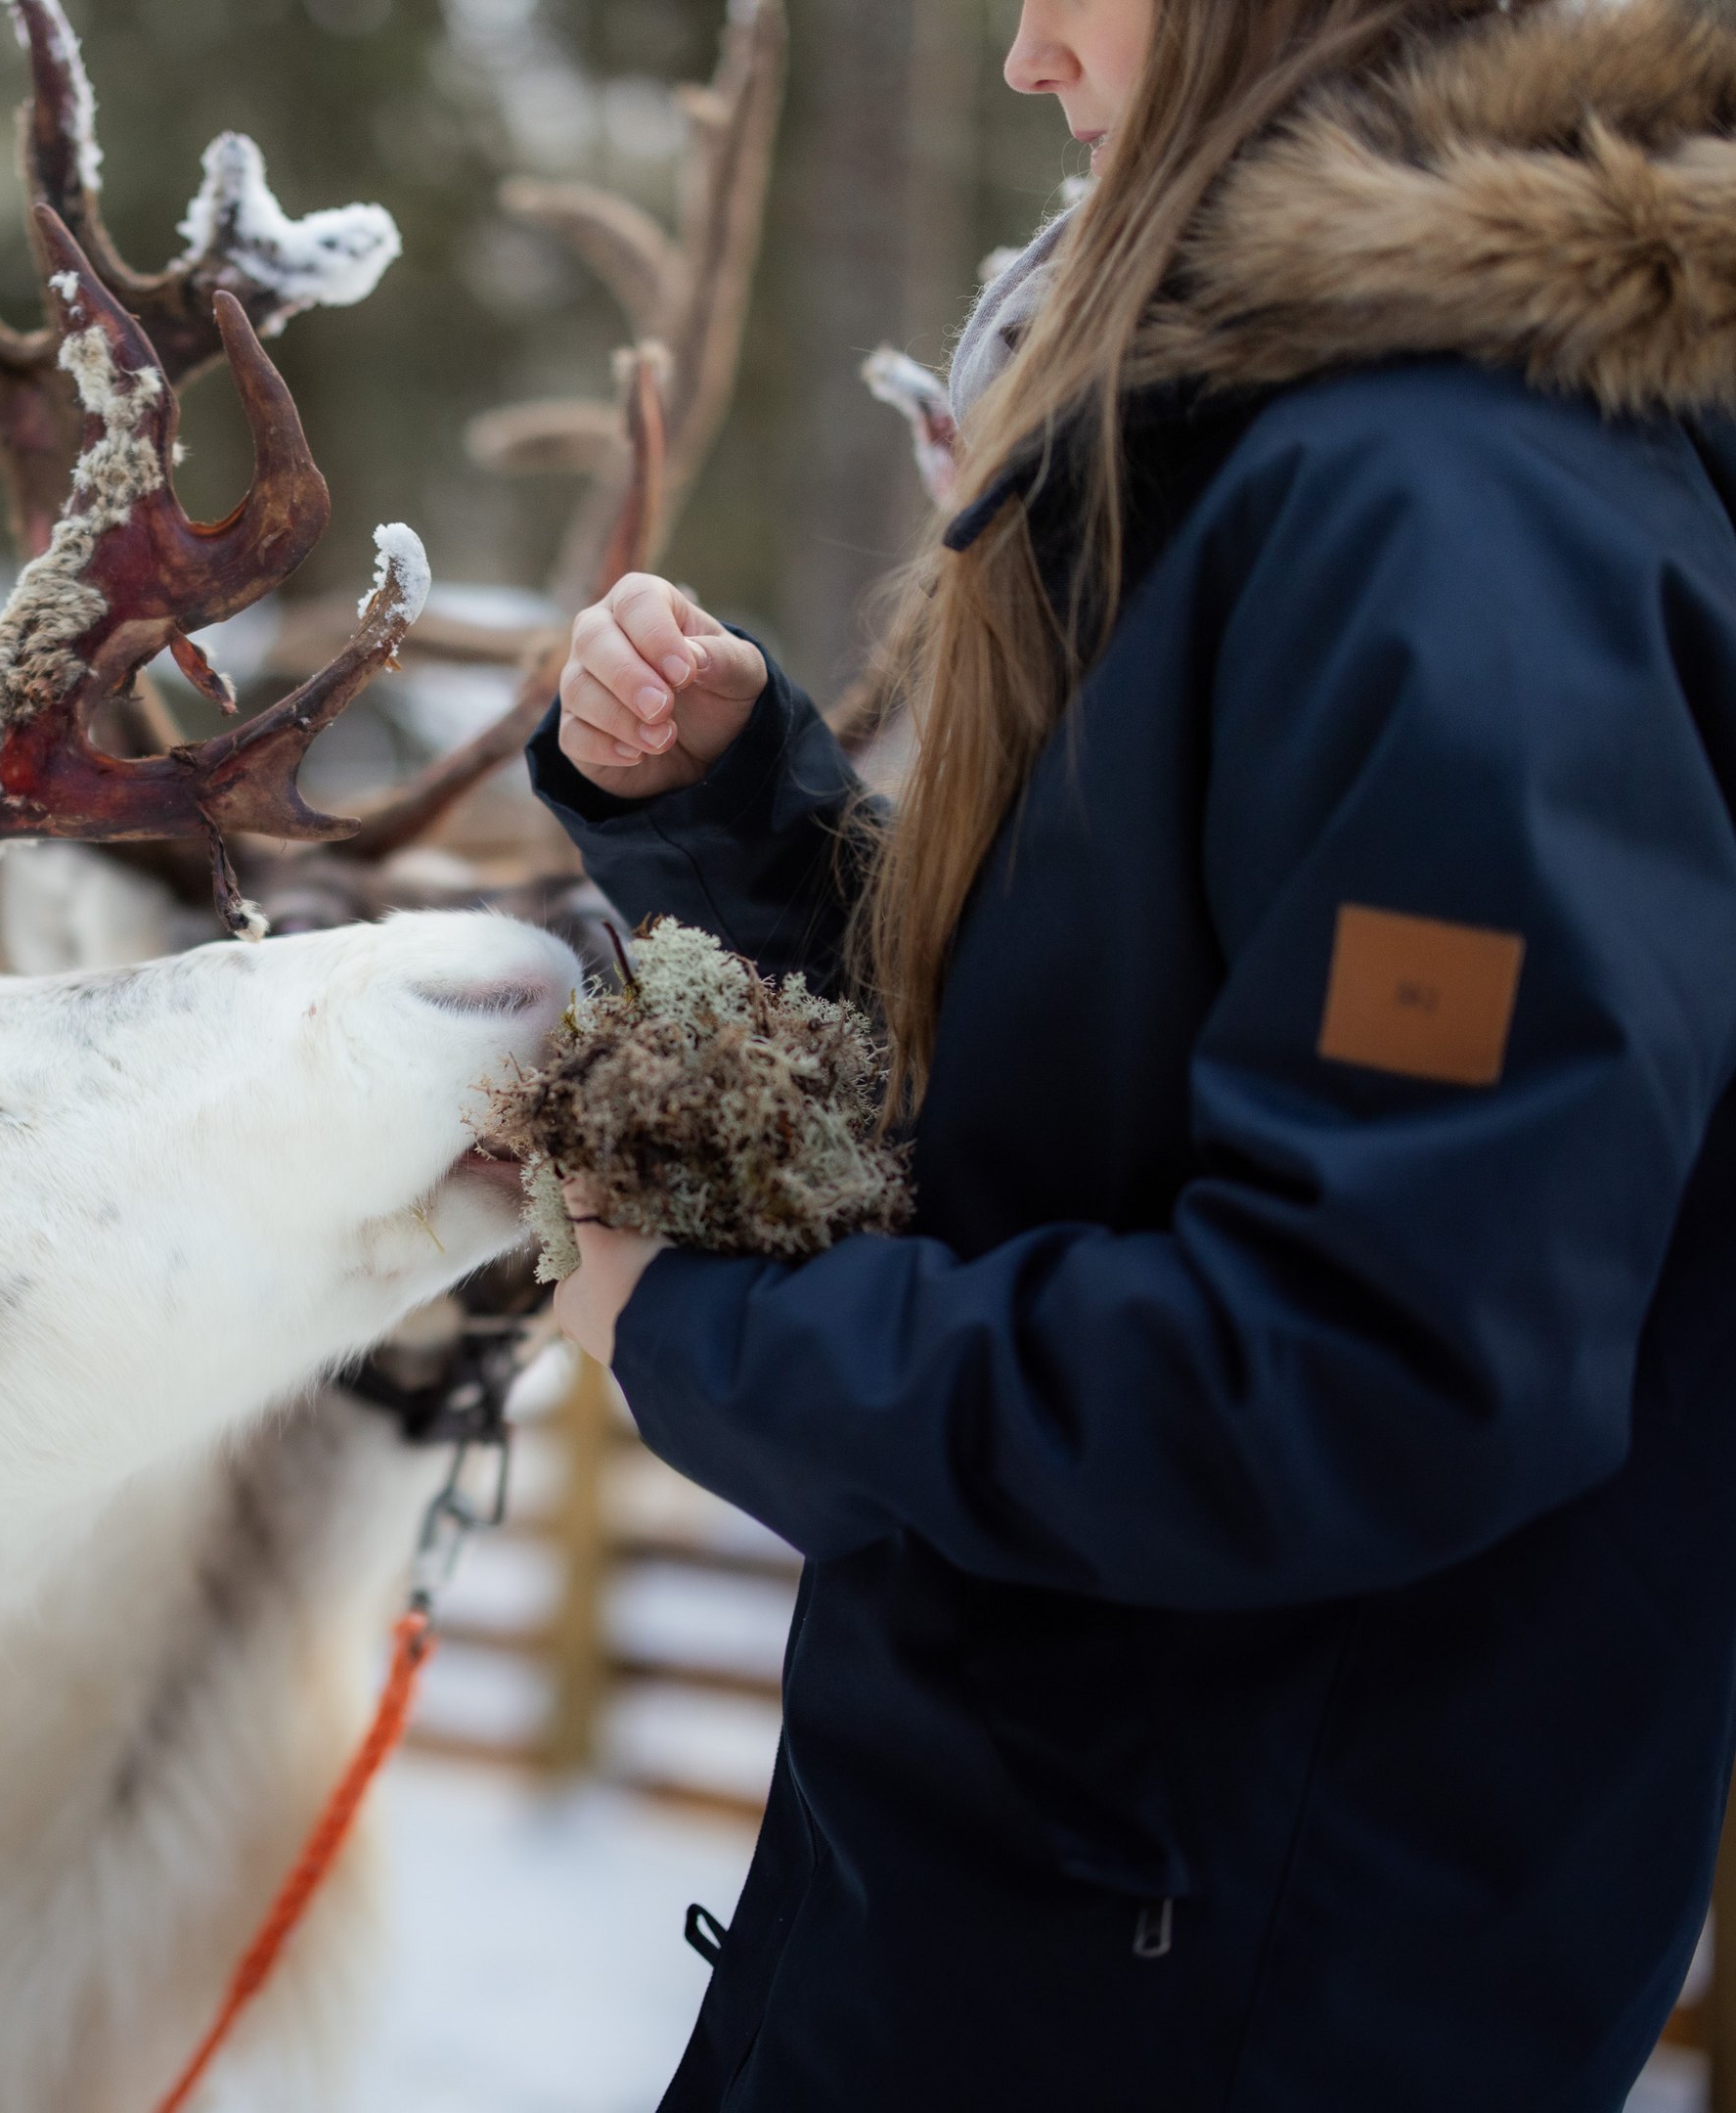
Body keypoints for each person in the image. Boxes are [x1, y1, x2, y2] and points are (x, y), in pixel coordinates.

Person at [530, 0, 1736, 2105]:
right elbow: (1099, 1095)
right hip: (1056, 1912)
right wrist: (743, 826)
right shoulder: (1326, 463)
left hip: (1201, 1988)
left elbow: (1358, 1365)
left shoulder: (1463, 526)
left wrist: (708, 1340)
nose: (1017, 57)